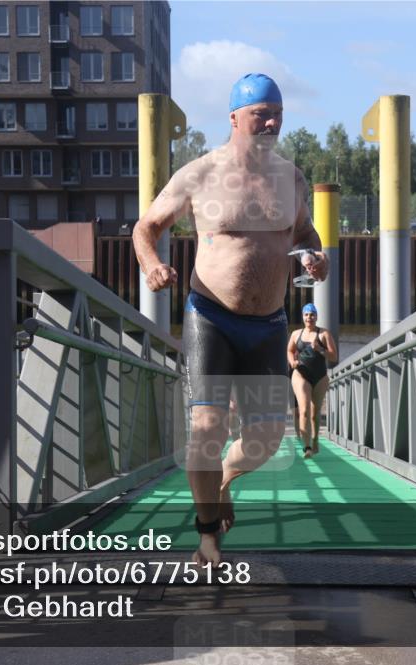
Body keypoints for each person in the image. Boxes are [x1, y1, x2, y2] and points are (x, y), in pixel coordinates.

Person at [132, 73, 328, 566]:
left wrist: (314, 257)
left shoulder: (291, 177)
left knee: (264, 440)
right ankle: (207, 538)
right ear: (235, 118)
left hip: (268, 324)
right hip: (211, 317)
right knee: (206, 428)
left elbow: (307, 235)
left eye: (277, 112)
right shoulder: (200, 173)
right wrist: (153, 265)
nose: (272, 121)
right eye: (261, 112)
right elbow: (146, 227)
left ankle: (223, 480)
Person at [288, 303, 338, 458]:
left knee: (315, 414)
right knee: (303, 410)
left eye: (312, 315)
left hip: (320, 377)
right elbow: (289, 350)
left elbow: (334, 357)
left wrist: (320, 350)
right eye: (306, 315)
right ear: (303, 317)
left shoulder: (324, 334)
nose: (309, 318)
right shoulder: (296, 334)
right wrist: (292, 362)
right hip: (301, 374)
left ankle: (315, 440)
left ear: (316, 317)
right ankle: (307, 447)